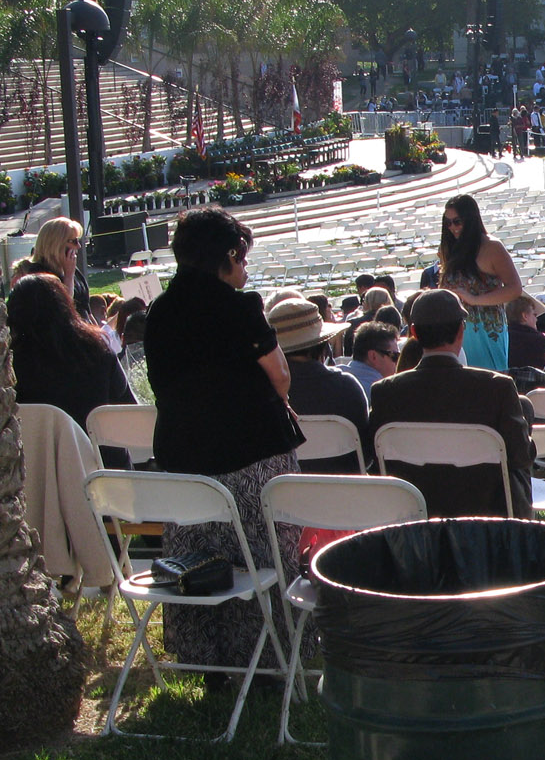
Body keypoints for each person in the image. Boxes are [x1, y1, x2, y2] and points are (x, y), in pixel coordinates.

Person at [144, 207, 303, 674]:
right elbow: (280, 375)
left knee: (199, 555)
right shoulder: (238, 307)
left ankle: (205, 658)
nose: (245, 267)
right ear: (229, 256)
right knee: (262, 554)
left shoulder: (159, 313)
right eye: (243, 257)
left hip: (183, 455)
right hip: (250, 452)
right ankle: (267, 658)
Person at [365, 289, 534, 519]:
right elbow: (521, 456)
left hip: (413, 516)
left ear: (414, 333)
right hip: (487, 518)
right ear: (461, 331)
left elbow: (375, 460)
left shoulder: (385, 392)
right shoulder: (497, 388)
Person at [7, 273, 136, 452]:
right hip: (103, 461)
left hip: (36, 462)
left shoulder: (9, 367)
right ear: (66, 307)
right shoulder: (98, 351)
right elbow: (130, 409)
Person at [268, 296, 368, 473]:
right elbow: (366, 457)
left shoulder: (259, 395)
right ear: (322, 345)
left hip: (284, 489)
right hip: (346, 487)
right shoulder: (347, 387)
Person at [437, 193, 522, 371]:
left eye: (457, 221)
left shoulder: (492, 247)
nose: (452, 227)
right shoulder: (449, 247)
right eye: (448, 222)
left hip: (485, 329)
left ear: (470, 219)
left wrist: (474, 299)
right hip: (456, 329)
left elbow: (515, 288)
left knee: (489, 379)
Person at [25, 216, 92, 319]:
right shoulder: (39, 275)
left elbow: (86, 309)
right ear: (56, 244)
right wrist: (68, 276)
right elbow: (64, 308)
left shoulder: (72, 269)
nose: (78, 246)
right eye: (73, 241)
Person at [342, 321, 400, 399]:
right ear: (373, 356)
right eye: (394, 356)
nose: (398, 361)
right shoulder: (381, 393)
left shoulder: (333, 382)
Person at [504, 293, 545, 369]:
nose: (536, 319)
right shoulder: (543, 341)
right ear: (525, 316)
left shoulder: (501, 339)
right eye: (534, 315)